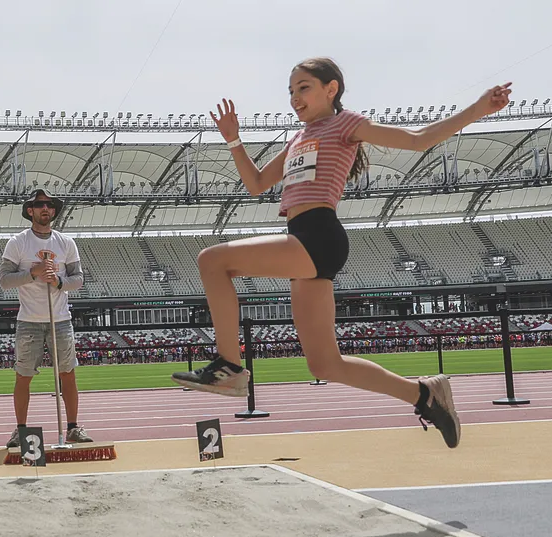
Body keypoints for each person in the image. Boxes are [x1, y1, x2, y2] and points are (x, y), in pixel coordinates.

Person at [171, 57, 513, 449]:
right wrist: (233, 140)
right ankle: (425, 395)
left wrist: (479, 108)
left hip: (319, 236)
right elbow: (257, 183)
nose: (295, 98)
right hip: (302, 238)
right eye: (291, 91)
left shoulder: (345, 124)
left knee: (213, 261)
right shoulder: (298, 138)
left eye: (304, 88)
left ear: (331, 89)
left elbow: (418, 140)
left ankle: (228, 367)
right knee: (325, 364)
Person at [0, 188, 93, 448]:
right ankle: (20, 430)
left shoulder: (66, 243)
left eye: (50, 205)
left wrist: (59, 281)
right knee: (23, 376)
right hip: (28, 320)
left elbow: (79, 280)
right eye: (40, 204)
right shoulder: (18, 242)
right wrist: (34, 273)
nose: (45, 209)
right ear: (30, 210)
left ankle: (73, 427)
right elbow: (5, 281)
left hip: (60, 320)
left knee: (68, 374)